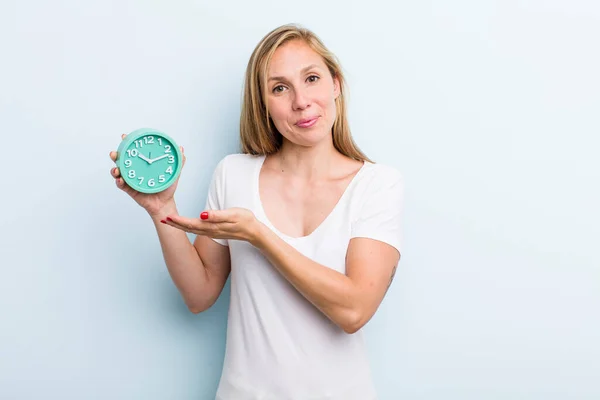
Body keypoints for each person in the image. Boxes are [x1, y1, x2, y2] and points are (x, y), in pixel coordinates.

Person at [109, 23, 404, 400]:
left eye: (311, 78)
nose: (301, 101)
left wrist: (260, 235)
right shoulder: (233, 173)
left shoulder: (377, 184)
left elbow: (353, 311)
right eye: (280, 87)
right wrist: (161, 208)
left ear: (336, 85)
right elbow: (199, 295)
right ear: (263, 103)